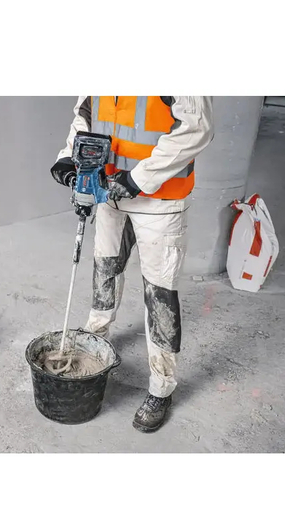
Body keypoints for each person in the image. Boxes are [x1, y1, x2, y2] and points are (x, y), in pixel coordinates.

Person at [51, 97, 214, 432]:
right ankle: (96, 337)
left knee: (159, 295)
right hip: (109, 189)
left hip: (160, 199)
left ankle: (161, 387)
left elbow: (196, 127)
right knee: (105, 268)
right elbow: (86, 113)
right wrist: (69, 156)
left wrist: (139, 178)